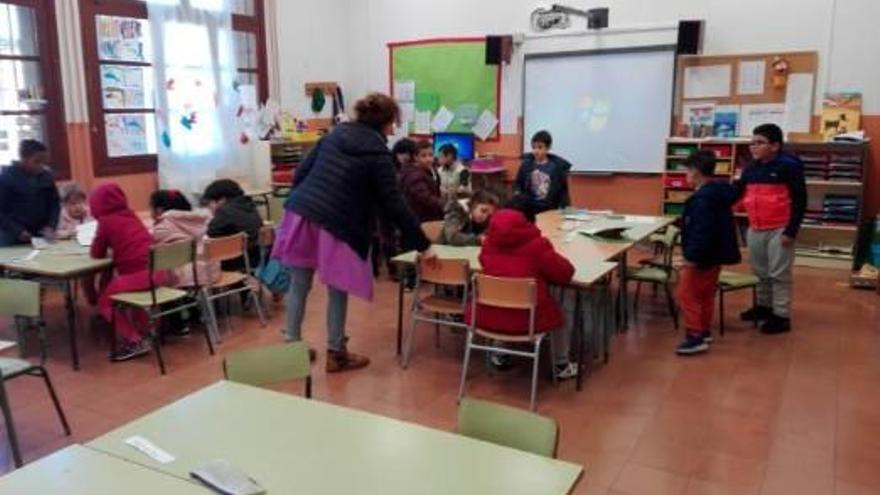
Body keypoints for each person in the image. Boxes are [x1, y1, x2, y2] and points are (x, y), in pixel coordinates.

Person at [273, 92, 435, 372]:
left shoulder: (334, 135)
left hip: (302, 212)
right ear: (385, 123)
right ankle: (336, 353)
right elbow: (395, 204)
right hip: (339, 222)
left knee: (299, 282)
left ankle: (291, 346)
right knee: (338, 287)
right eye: (393, 123)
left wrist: (306, 200)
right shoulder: (378, 154)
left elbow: (300, 172)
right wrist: (423, 245)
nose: (394, 129)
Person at [467, 194, 579, 380]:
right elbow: (565, 274)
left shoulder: (488, 245)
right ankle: (561, 363)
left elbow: (491, 266)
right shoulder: (537, 245)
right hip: (527, 321)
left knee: (503, 292)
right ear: (530, 221)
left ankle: (499, 353)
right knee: (565, 295)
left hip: (488, 317)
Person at [735, 124, 806, 334]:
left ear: (775, 146)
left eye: (759, 143)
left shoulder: (789, 166)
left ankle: (781, 316)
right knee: (760, 271)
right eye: (752, 143)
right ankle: (764, 306)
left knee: (779, 274)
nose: (753, 147)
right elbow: (737, 192)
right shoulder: (751, 168)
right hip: (756, 227)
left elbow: (800, 200)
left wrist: (790, 231)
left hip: (779, 228)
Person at [675, 150, 742, 355]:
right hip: (714, 254)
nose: (685, 174)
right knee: (704, 294)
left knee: (686, 294)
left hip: (702, 255)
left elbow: (702, 230)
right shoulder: (716, 192)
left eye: (687, 170)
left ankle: (695, 336)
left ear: (696, 171)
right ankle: (703, 331)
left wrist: (692, 257)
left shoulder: (703, 198)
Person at [90, 183, 159, 361]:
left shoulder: (105, 221)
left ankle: (134, 341)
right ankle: (147, 333)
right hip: (158, 271)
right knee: (134, 297)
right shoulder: (131, 215)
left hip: (137, 277)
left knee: (105, 302)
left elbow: (96, 253)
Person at [150, 190, 219, 288]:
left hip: (185, 278)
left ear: (159, 210)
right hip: (211, 271)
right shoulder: (202, 219)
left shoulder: (163, 227)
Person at [0, 140, 60, 246]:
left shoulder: (46, 176)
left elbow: (54, 204)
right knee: (13, 262)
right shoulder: (6, 178)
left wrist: (51, 225)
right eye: (37, 162)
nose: (42, 166)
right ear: (23, 158)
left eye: (44, 162)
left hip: (40, 235)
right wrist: (17, 231)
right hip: (12, 237)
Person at [203, 179, 263, 273]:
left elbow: (211, 233)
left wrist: (215, 216)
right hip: (257, 260)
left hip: (235, 263)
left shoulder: (225, 212)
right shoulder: (250, 205)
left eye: (209, 203)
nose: (208, 207)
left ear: (221, 200)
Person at [514, 130, 572, 214]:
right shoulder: (526, 165)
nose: (536, 151)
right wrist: (517, 194)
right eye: (533, 147)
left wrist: (564, 208)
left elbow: (563, 192)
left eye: (540, 147)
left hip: (549, 207)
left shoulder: (556, 167)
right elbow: (518, 183)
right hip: (529, 207)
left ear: (548, 148)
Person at [400, 140, 445, 222]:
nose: (428, 159)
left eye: (431, 155)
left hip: (428, 216)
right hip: (421, 219)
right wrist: (445, 204)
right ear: (416, 157)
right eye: (423, 156)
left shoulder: (429, 169)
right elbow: (425, 198)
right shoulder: (414, 175)